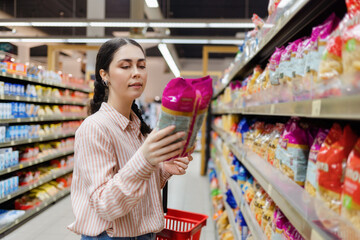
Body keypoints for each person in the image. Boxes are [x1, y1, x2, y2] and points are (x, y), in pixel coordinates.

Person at [68, 38, 193, 240]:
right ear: (104, 75)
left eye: (141, 66)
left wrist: (162, 170)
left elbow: (136, 191)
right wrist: (145, 159)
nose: (136, 72)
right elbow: (105, 205)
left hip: (145, 234)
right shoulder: (94, 128)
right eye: (125, 66)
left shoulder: (139, 128)